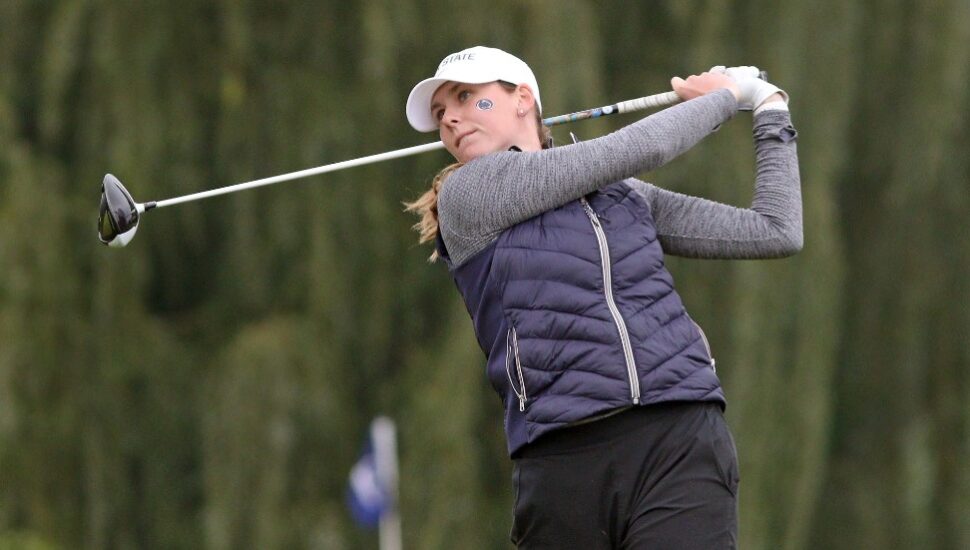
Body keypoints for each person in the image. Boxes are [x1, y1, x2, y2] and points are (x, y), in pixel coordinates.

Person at [404, 45, 801, 549]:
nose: (451, 118)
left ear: (522, 99)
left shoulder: (623, 195)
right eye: (440, 113)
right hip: (564, 458)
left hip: (679, 437)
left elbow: (776, 230)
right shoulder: (470, 195)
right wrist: (723, 98)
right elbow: (631, 150)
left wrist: (770, 110)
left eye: (465, 97)